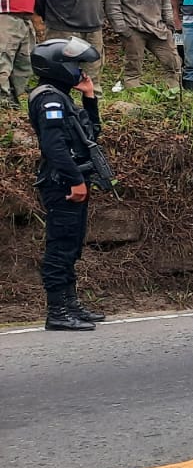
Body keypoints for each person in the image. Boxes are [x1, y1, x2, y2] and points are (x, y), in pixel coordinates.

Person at [27, 37, 111, 331]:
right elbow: (55, 147)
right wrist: (75, 181)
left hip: (72, 178)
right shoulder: (48, 99)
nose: (78, 70)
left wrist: (89, 98)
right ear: (57, 66)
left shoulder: (62, 96)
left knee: (72, 245)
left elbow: (90, 135)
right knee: (60, 247)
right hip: (62, 182)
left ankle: (71, 304)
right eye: (74, 65)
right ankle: (58, 311)